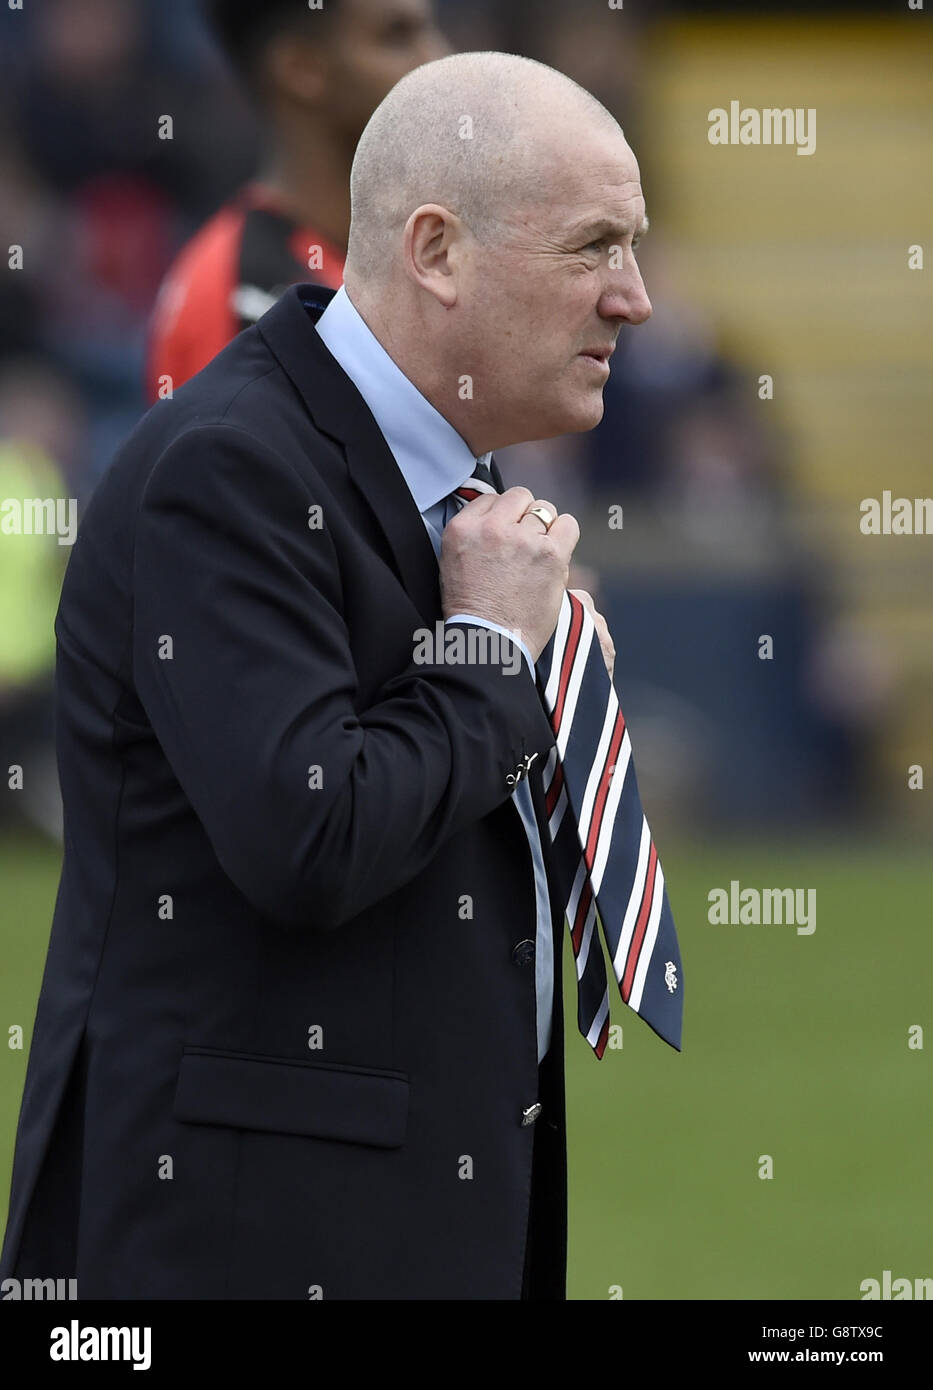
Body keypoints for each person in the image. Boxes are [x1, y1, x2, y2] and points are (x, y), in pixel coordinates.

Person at [0, 51, 658, 1300]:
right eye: (594, 247)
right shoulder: (231, 468)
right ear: (437, 249)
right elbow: (312, 832)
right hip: (243, 1245)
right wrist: (495, 658)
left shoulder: (443, 488)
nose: (633, 297)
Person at [145, 0, 448, 401]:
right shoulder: (244, 291)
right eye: (397, 37)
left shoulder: (404, 261)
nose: (441, 59)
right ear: (301, 70)